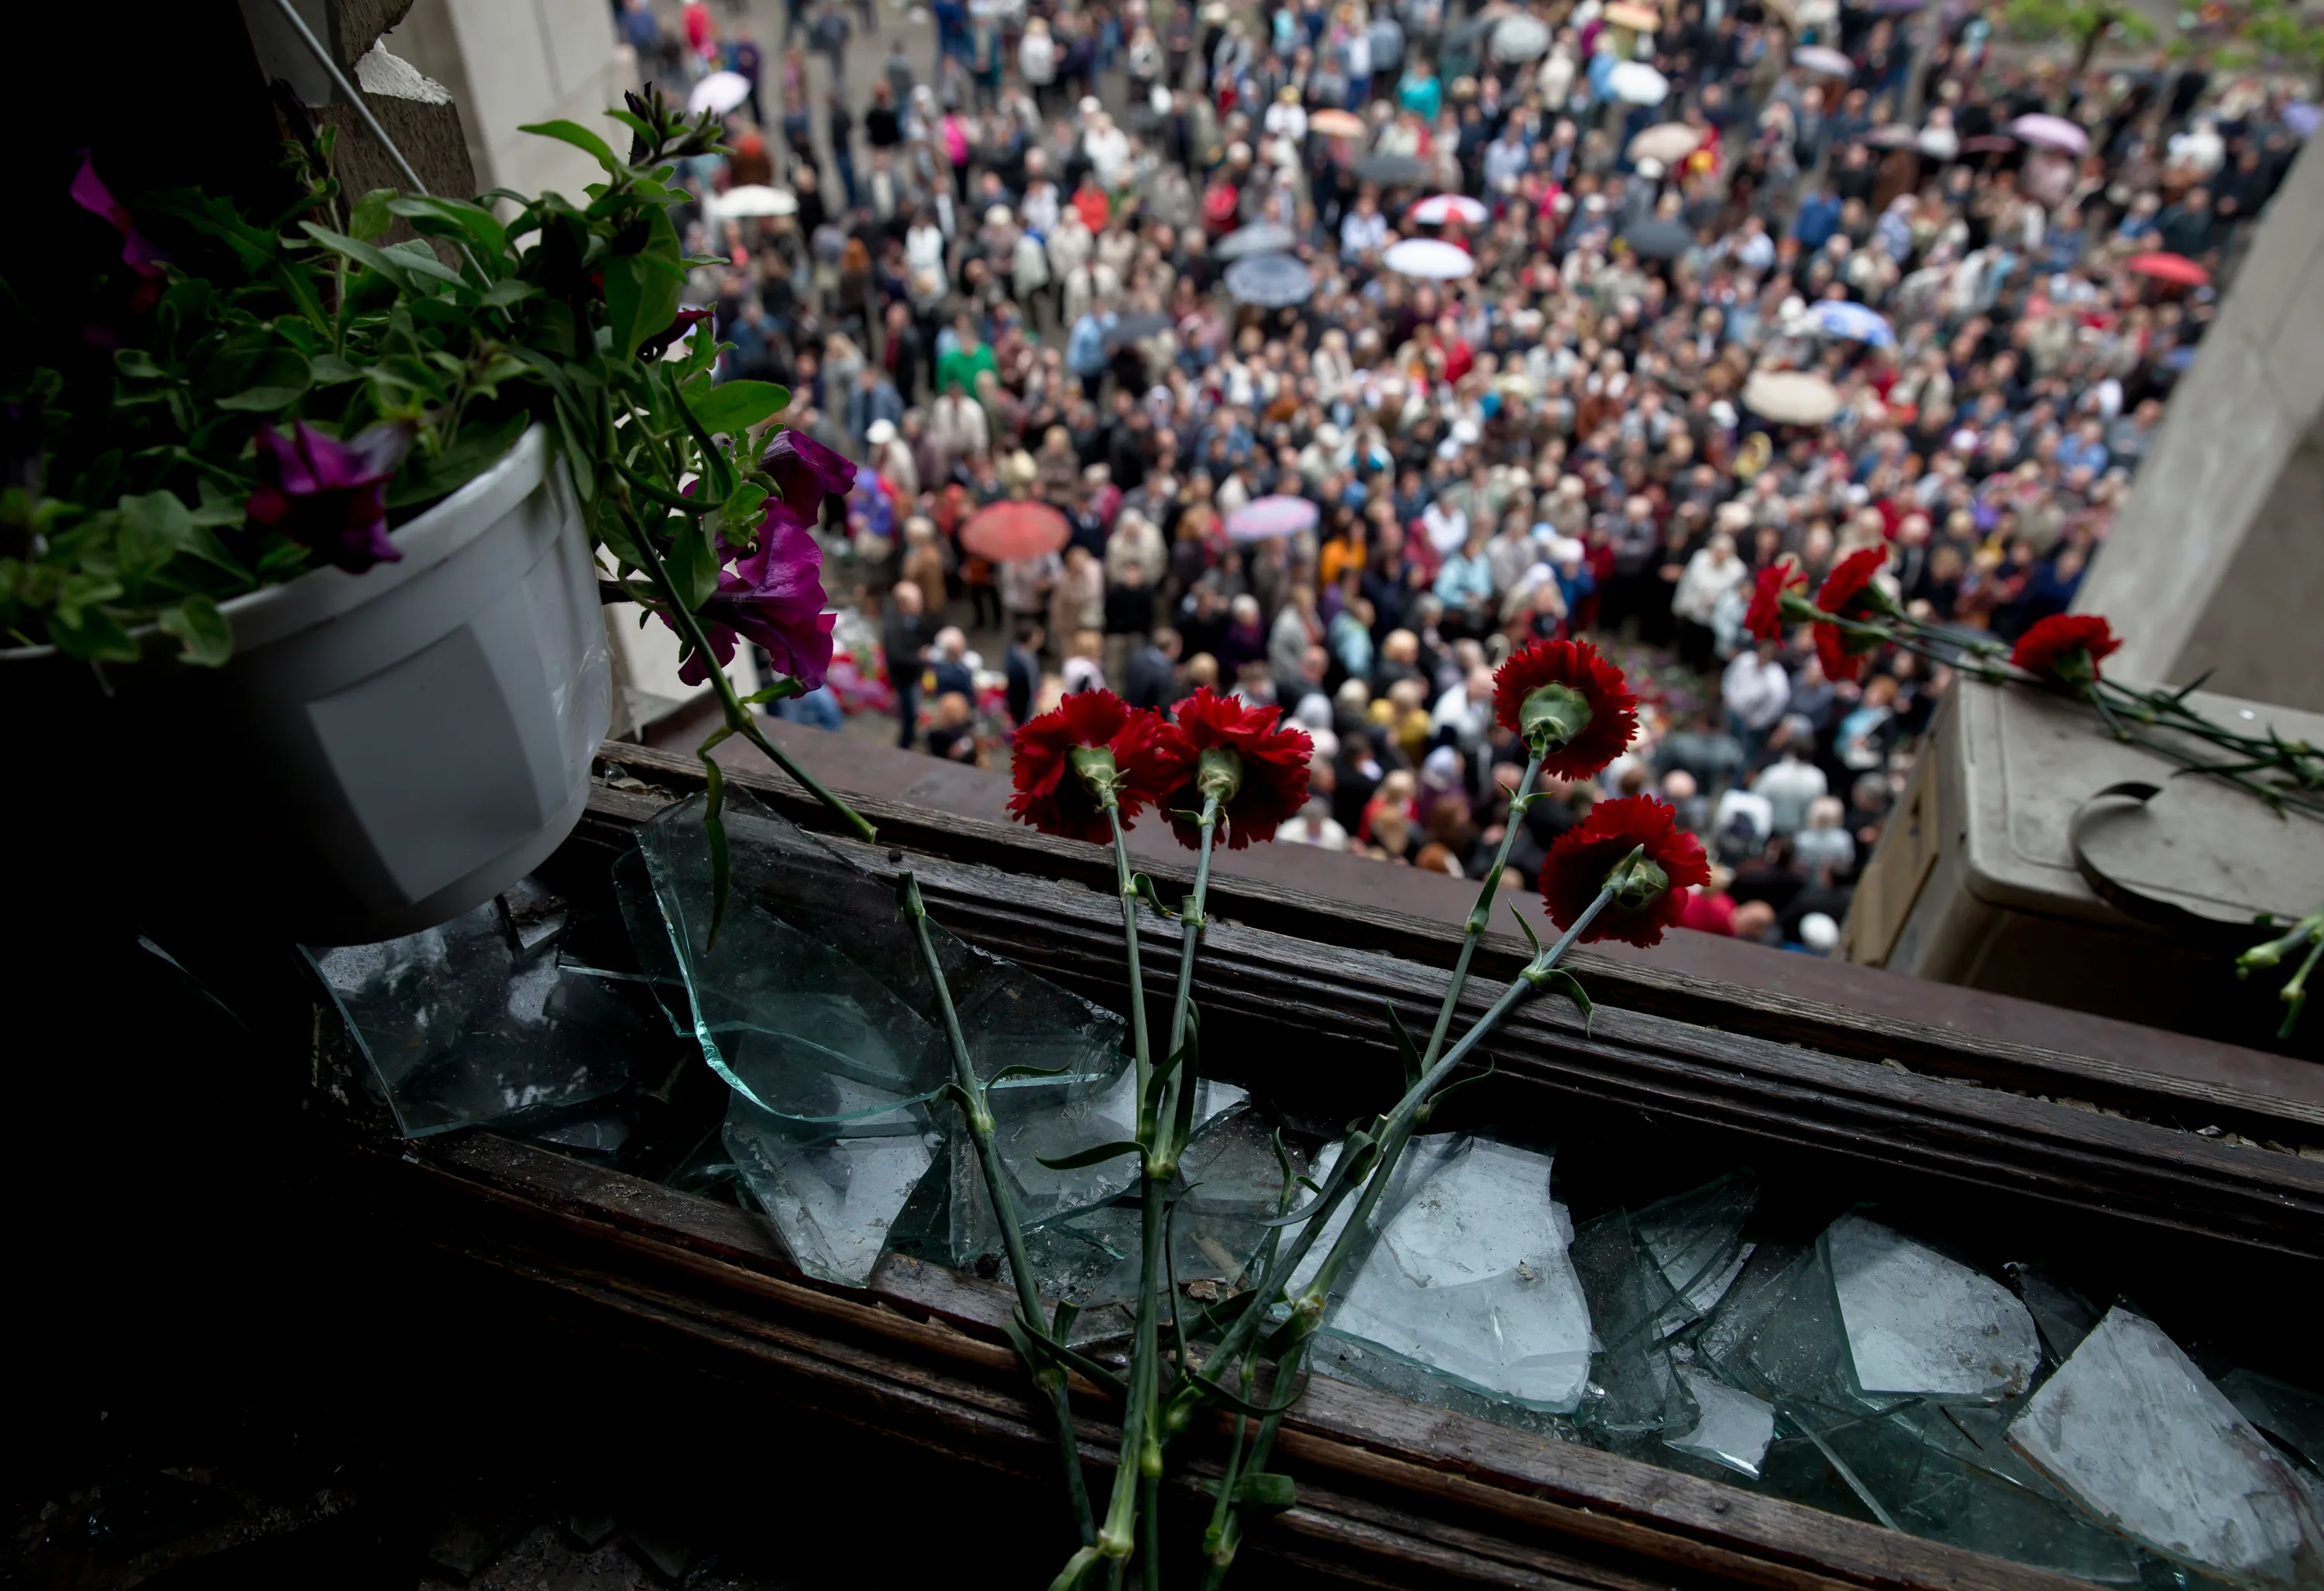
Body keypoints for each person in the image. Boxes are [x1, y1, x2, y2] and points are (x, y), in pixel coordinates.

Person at [882, 582, 929, 750]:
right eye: (917, 603)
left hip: (912, 676)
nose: (920, 606)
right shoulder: (893, 628)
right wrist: (919, 657)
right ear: (904, 605)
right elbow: (896, 656)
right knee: (908, 715)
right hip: (904, 679)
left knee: (913, 711)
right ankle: (905, 745)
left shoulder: (909, 619)